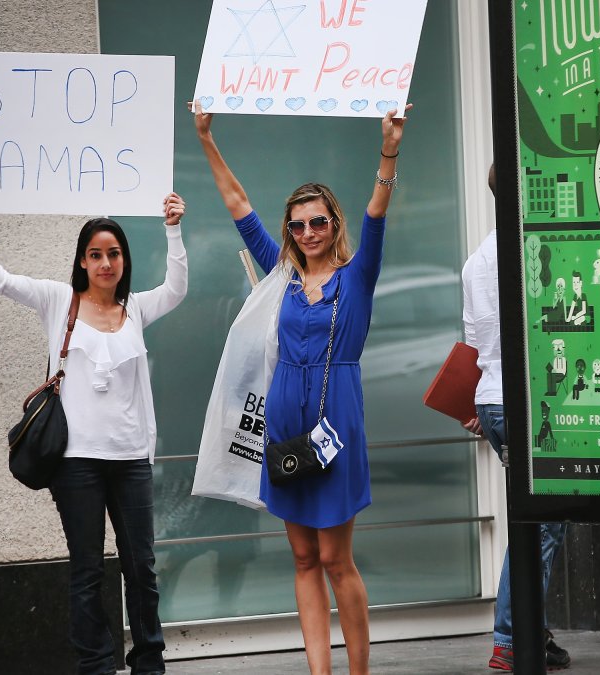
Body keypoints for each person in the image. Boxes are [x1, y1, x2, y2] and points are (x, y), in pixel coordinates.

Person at [0, 194, 188, 675]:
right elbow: (2, 280)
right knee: (87, 572)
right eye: (95, 254)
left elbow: (176, 287)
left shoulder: (136, 309)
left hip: (130, 461)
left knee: (142, 570)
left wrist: (172, 228)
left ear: (123, 259)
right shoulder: (58, 302)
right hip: (77, 464)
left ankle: (149, 663)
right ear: (82, 261)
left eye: (113, 253)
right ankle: (96, 666)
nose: (105, 262)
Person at [192, 101, 410, 675]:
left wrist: (389, 148)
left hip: (336, 423)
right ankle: (320, 671)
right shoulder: (280, 276)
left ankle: (358, 671)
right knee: (302, 556)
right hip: (286, 425)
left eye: (317, 221)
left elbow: (378, 211)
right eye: (297, 224)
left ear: (334, 223)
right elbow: (240, 207)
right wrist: (206, 137)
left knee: (338, 559)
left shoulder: (356, 275)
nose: (307, 232)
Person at [462, 164, 570, 672]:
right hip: (533, 402)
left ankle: (535, 629)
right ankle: (511, 639)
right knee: (541, 527)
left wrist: (475, 407)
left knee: (535, 521)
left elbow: (474, 342)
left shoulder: (475, 261)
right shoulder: (536, 250)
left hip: (492, 400)